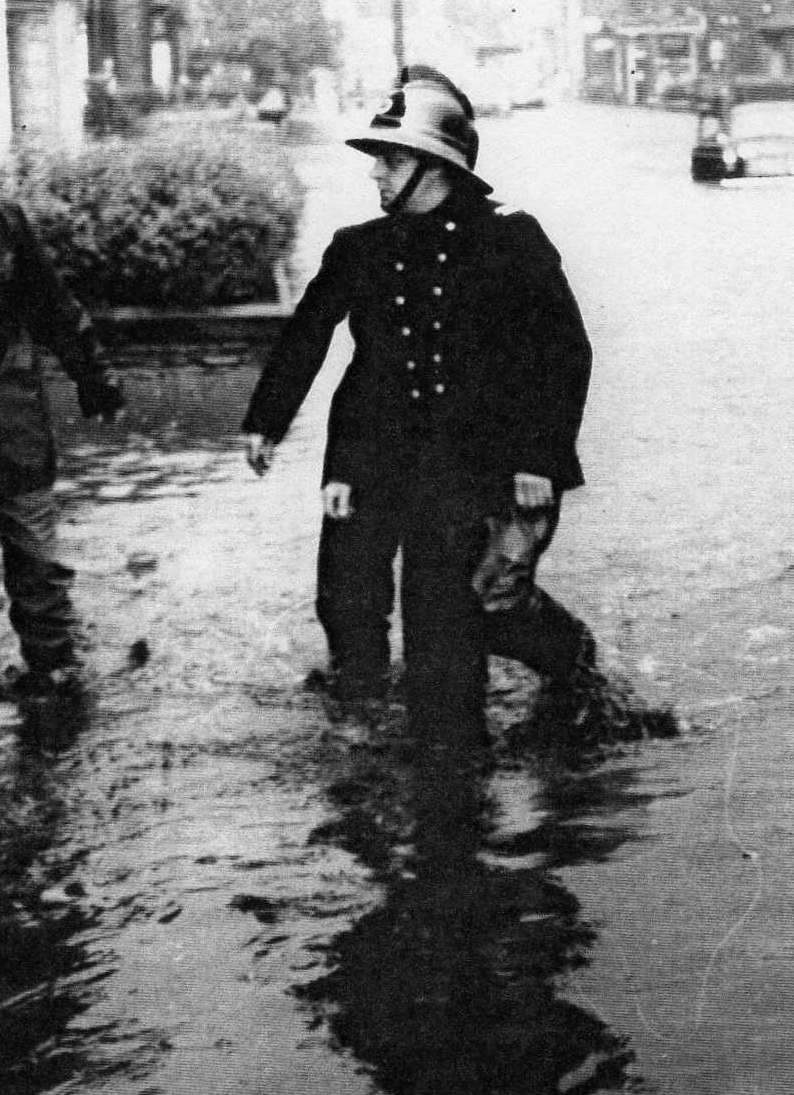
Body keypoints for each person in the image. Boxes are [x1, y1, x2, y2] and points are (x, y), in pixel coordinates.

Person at [241, 68, 598, 753]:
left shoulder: (510, 240)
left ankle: (564, 668)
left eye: (391, 159)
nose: (376, 174)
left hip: (472, 473)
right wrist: (270, 422)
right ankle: (364, 728)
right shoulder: (361, 248)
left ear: (437, 164)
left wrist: (539, 457)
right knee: (346, 601)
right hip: (379, 462)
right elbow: (318, 342)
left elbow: (564, 353)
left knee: (453, 631)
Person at [0, 121, 126, 694]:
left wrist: (94, 380)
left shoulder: (6, 224)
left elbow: (53, 306)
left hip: (12, 422)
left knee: (38, 564)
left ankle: (56, 677)